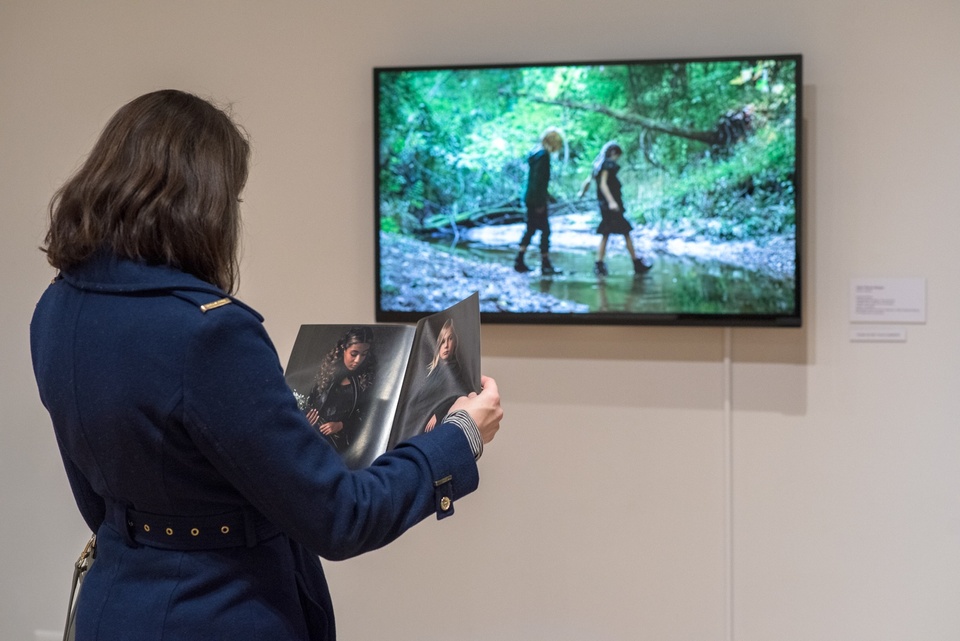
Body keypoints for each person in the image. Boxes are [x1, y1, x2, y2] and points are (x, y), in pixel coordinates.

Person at [30, 89, 502, 641]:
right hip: (222, 613)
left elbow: (100, 502)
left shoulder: (57, 308)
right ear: (200, 203)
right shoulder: (211, 331)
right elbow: (340, 518)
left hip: (114, 605)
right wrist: (459, 436)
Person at [578, 141, 650, 276]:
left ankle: (600, 264)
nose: (617, 159)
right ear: (613, 152)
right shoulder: (606, 165)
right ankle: (635, 263)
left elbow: (588, 181)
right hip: (610, 205)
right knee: (624, 231)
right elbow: (603, 185)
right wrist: (611, 202)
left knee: (608, 232)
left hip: (605, 205)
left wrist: (582, 193)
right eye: (617, 156)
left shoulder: (597, 165)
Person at [304, 327, 376, 452]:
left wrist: (341, 425)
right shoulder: (328, 371)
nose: (358, 360)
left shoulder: (365, 380)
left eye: (363, 354)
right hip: (313, 430)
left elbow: (366, 417)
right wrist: (307, 416)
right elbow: (311, 399)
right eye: (354, 354)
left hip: (337, 439)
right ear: (344, 348)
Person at [515, 126, 563, 275]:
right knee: (545, 231)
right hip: (536, 200)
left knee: (531, 229)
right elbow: (538, 181)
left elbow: (537, 181)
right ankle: (545, 264)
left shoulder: (536, 153)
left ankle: (520, 260)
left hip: (532, 197)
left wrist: (547, 196)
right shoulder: (543, 155)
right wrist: (540, 202)